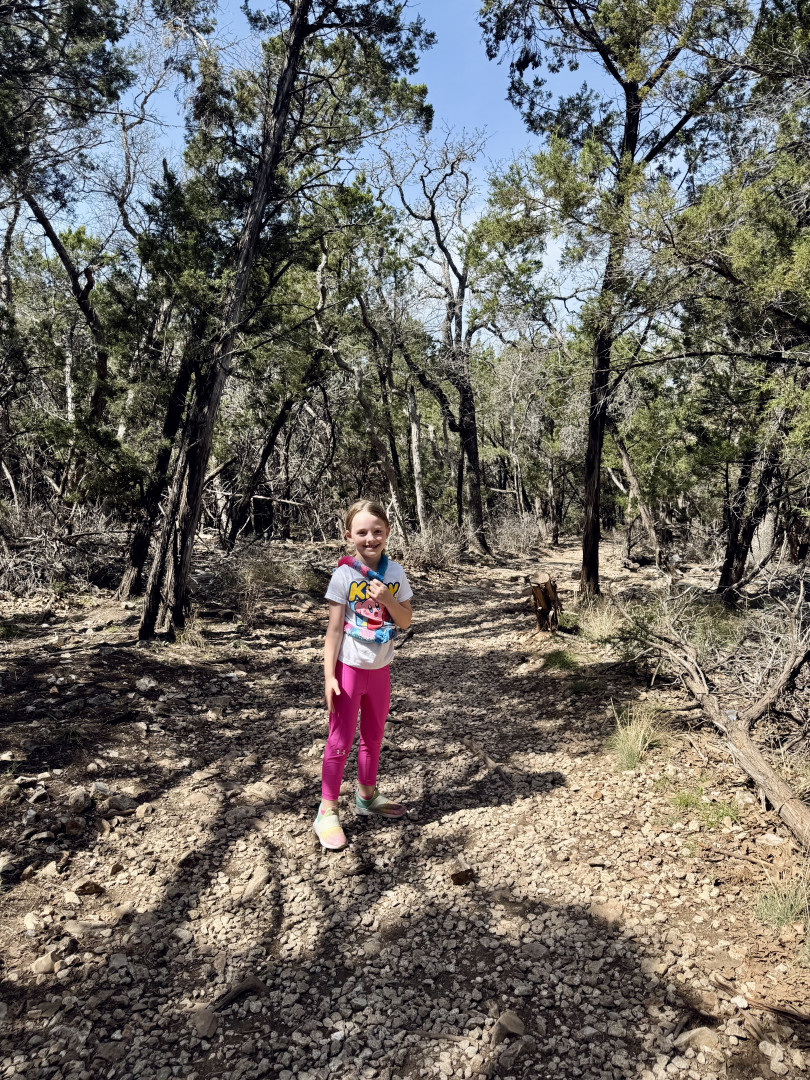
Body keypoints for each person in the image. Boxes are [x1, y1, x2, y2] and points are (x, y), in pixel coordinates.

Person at [314, 500, 413, 851]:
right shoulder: (343, 575)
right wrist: (329, 677)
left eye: (377, 531)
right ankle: (327, 810)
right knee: (339, 741)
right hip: (349, 670)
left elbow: (405, 621)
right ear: (349, 536)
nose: (370, 538)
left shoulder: (395, 573)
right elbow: (333, 631)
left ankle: (366, 797)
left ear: (387, 532)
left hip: (380, 670)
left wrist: (388, 599)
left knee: (373, 737)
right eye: (362, 532)